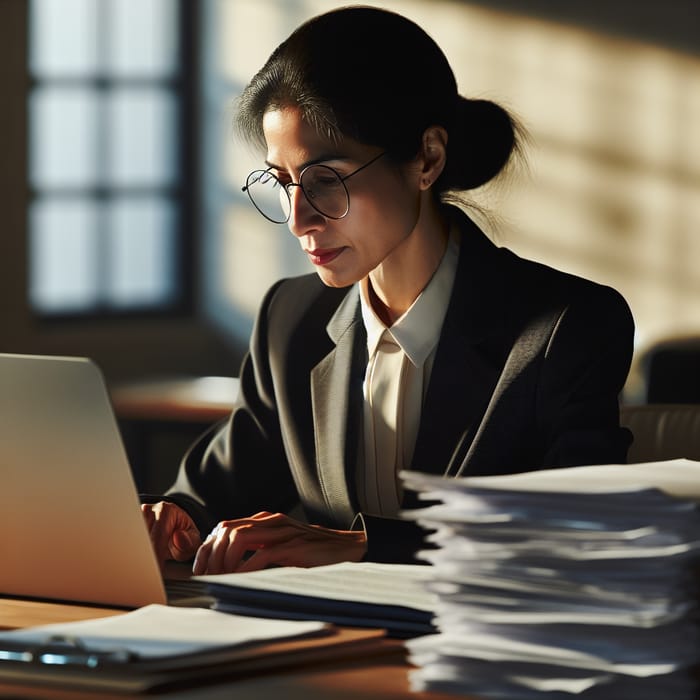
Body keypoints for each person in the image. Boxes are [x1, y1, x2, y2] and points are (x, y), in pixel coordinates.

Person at [142, 6, 634, 574]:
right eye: (282, 183)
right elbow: (214, 490)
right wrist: (171, 515)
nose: (299, 218)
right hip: (319, 651)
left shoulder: (565, 328)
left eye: (326, 180)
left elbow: (582, 536)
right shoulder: (291, 319)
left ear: (427, 157)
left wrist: (365, 546)